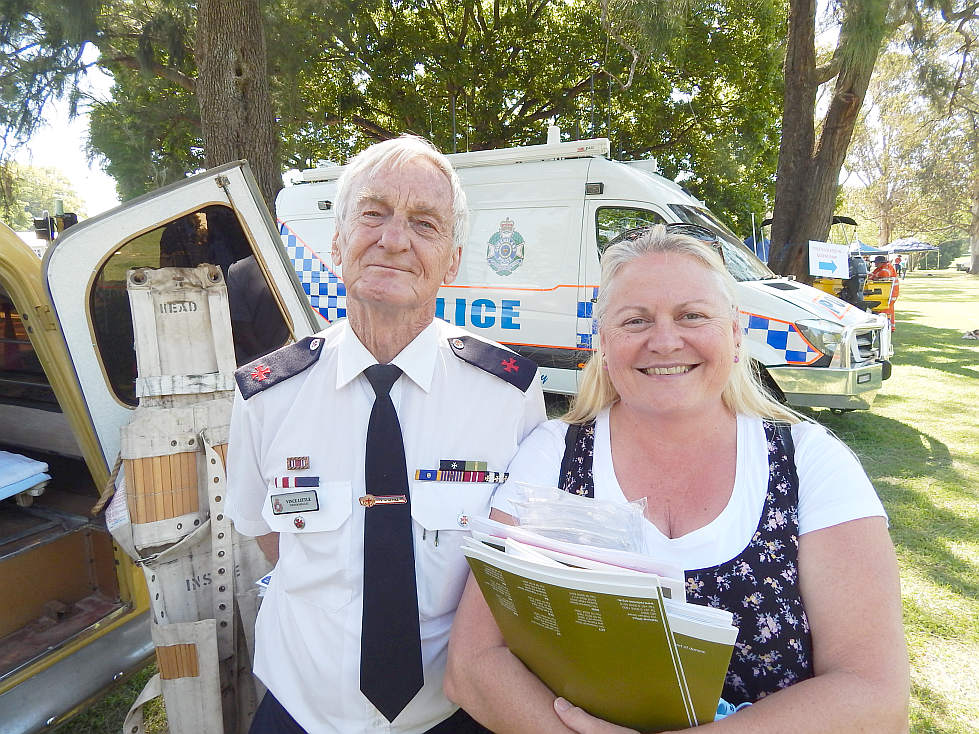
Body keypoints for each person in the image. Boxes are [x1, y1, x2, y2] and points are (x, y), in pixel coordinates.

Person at [444, 224, 909, 733]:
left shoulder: (811, 463)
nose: (664, 341)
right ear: (603, 343)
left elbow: (875, 696)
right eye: (635, 320)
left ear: (735, 334)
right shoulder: (551, 456)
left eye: (692, 315)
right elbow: (472, 665)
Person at [226, 135, 546, 734]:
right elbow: (265, 531)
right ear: (338, 241)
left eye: (424, 224)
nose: (394, 239)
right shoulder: (268, 396)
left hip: (453, 714)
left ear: (452, 260)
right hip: (302, 713)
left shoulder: (508, 393)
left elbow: (512, 560)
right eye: (373, 213)